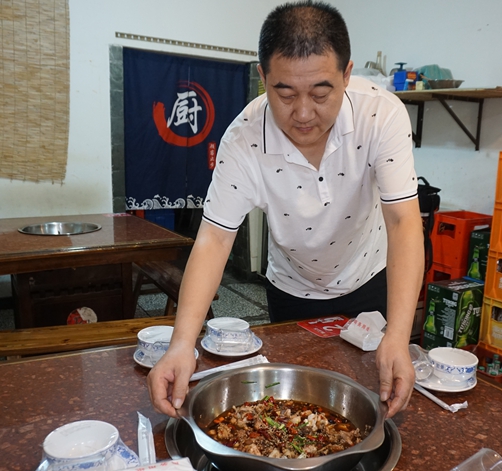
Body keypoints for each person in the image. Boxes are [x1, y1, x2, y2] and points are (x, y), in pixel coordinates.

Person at [148, 0, 424, 419]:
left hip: (370, 279)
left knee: (367, 406)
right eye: (285, 92)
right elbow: (214, 238)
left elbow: (403, 221)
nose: (303, 113)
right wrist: (182, 344)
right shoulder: (243, 140)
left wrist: (399, 337)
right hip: (291, 288)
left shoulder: (380, 115)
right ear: (263, 79)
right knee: (292, 411)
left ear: (346, 75)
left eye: (320, 92)